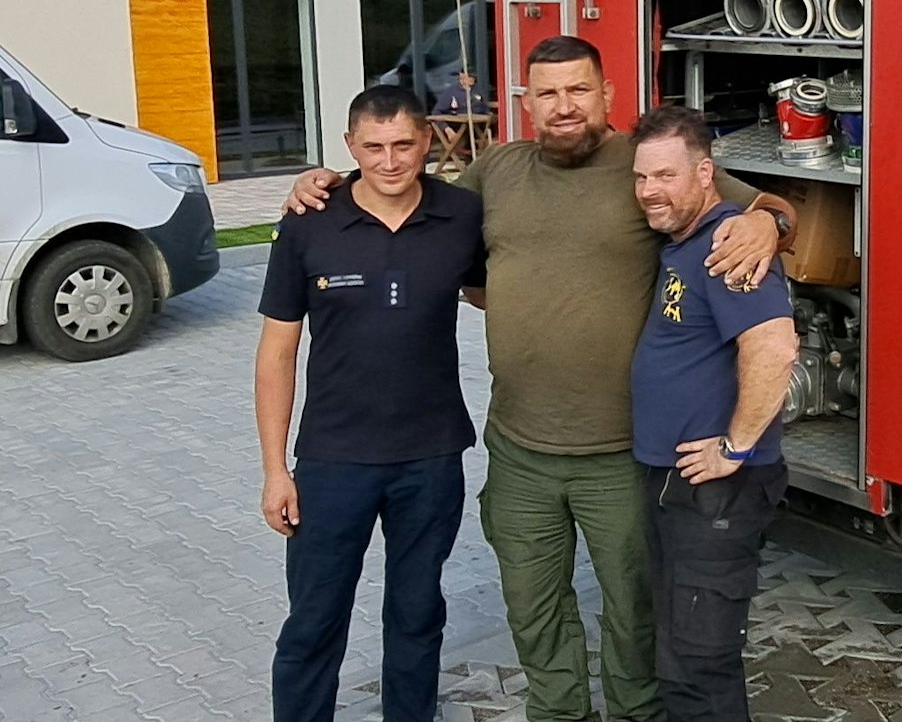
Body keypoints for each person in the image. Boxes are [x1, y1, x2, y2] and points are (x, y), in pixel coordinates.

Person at [285, 36, 796, 722]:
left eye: (578, 90)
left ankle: (634, 714)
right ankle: (558, 713)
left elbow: (763, 210)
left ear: (606, 93)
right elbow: (403, 197)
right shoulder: (496, 171)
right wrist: (324, 184)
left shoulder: (643, 166)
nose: (563, 107)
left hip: (622, 451)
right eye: (547, 93)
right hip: (519, 448)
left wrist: (768, 222)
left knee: (633, 611)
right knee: (534, 609)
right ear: (526, 102)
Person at [255, 86, 487, 722]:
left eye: (404, 145)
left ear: (427, 142)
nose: (390, 161)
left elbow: (493, 291)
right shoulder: (309, 221)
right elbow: (276, 353)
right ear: (351, 147)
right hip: (333, 462)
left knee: (416, 616)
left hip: (431, 457)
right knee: (313, 622)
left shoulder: (463, 215)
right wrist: (276, 469)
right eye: (374, 147)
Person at [628, 106, 797, 722]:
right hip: (682, 485)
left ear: (705, 174)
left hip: (715, 491)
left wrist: (736, 446)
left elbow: (776, 345)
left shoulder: (729, 243)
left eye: (666, 176)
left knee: (701, 661)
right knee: (681, 651)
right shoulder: (686, 242)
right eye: (642, 177)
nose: (650, 191)